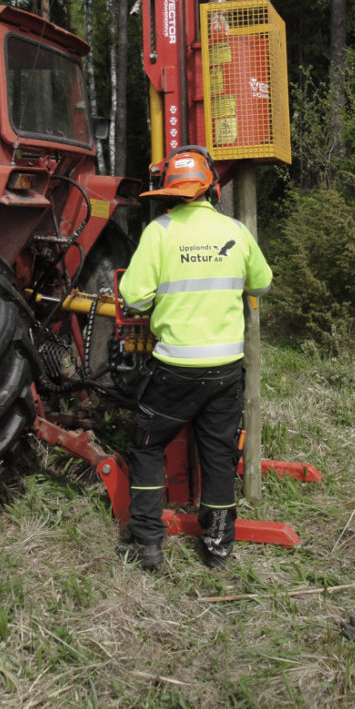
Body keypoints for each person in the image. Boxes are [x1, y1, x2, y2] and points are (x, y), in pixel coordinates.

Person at [116, 146, 272, 570]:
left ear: (169, 192)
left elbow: (133, 296)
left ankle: (147, 542)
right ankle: (218, 547)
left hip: (174, 370)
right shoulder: (236, 232)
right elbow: (262, 283)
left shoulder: (160, 233)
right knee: (219, 454)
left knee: (149, 446)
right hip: (224, 370)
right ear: (211, 189)